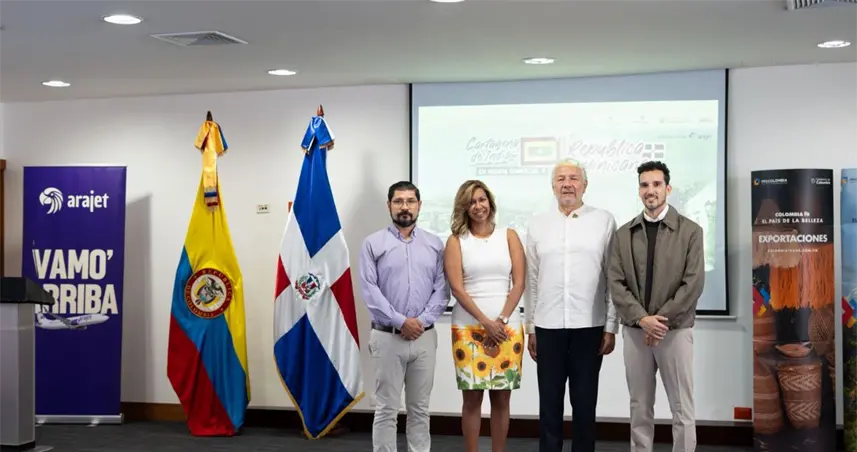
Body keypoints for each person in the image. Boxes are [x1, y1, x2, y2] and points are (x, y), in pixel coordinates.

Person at [524, 159, 620, 452]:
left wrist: (611, 325)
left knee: (585, 403)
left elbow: (613, 276)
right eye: (561, 179)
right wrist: (530, 327)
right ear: (553, 186)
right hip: (547, 326)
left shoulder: (604, 220)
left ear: (585, 185)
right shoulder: (537, 223)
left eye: (574, 178)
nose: (567, 184)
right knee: (549, 404)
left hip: (589, 326)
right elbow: (532, 279)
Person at [608, 161, 703, 452]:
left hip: (674, 332)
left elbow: (693, 284)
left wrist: (658, 322)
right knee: (639, 405)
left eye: (656, 184)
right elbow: (616, 283)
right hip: (636, 332)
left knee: (681, 406)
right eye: (645, 185)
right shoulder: (623, 234)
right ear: (639, 191)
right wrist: (642, 320)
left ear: (668, 188)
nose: (650, 190)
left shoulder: (690, 231)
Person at [358, 181, 450, 452]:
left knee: (420, 409)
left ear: (419, 205)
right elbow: (370, 290)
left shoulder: (435, 244)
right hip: (387, 337)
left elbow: (442, 290)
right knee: (386, 408)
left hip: (424, 337)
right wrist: (401, 322)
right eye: (398, 201)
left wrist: (420, 322)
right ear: (389, 205)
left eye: (410, 201)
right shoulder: (373, 243)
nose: (405, 207)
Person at [443, 180, 526, 452]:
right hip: (468, 328)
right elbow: (457, 288)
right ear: (464, 208)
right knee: (472, 399)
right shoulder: (456, 241)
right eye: (471, 202)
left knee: (502, 399)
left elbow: (519, 283)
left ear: (489, 201)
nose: (478, 206)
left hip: (507, 328)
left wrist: (500, 321)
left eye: (481, 199)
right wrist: (486, 323)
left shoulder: (509, 236)